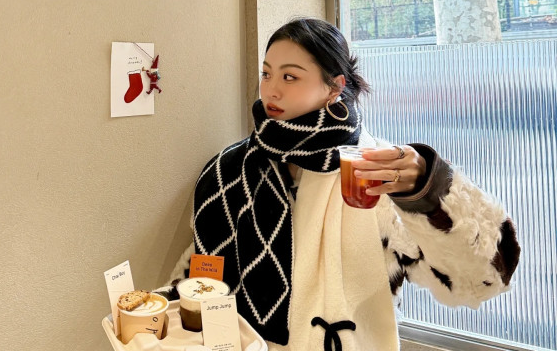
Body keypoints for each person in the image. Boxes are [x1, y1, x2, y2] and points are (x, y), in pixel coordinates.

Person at [166, 18, 520, 351]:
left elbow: (481, 280)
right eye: (266, 73)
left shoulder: (376, 171)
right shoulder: (230, 168)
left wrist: (429, 191)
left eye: (290, 77)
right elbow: (202, 274)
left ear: (334, 87)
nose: (270, 89)